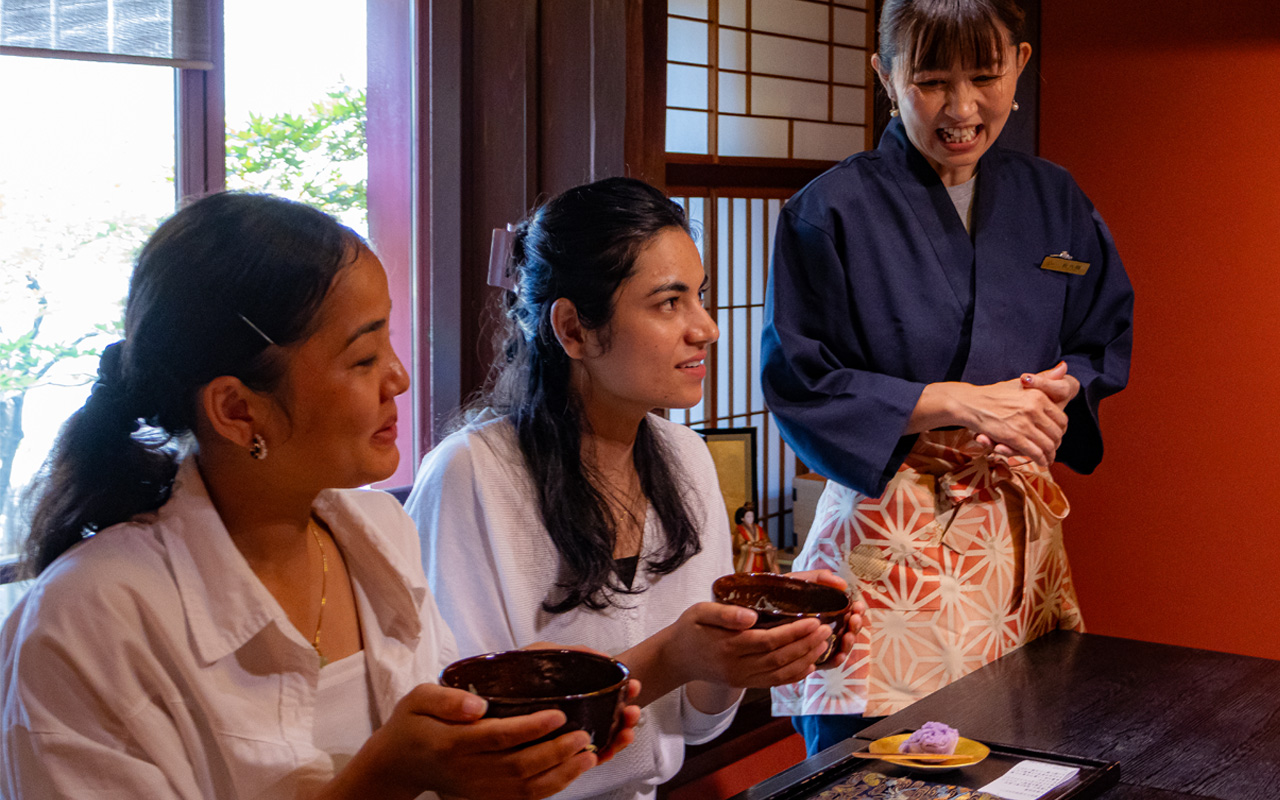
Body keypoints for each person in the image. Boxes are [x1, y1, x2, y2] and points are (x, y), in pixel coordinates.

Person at [0, 192, 638, 799]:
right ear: (237, 409)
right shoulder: (91, 617)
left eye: (389, 340)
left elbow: (439, 743)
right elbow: (401, 766)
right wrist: (385, 778)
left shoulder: (374, 530)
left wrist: (505, 736)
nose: (400, 377)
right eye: (363, 359)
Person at [406, 177, 861, 800]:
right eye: (668, 303)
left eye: (699, 297)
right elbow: (480, 740)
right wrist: (672, 657)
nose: (706, 329)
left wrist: (751, 646)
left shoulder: (685, 459)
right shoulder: (470, 475)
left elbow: (701, 724)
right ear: (573, 329)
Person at [761, 0, 1134, 756]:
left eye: (985, 75)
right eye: (932, 80)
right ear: (886, 77)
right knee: (875, 768)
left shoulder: (1053, 201)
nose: (961, 109)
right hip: (888, 537)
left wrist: (1070, 386)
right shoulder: (827, 211)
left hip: (1008, 538)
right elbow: (799, 378)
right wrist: (947, 402)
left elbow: (1100, 328)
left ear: (1020, 66)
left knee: (1018, 758)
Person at [732, 502, 779, 573]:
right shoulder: (739, 530)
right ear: (742, 518)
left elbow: (766, 540)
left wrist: (767, 546)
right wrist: (750, 548)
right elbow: (737, 546)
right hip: (748, 556)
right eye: (748, 516)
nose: (750, 519)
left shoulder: (758, 528)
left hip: (761, 555)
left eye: (752, 516)